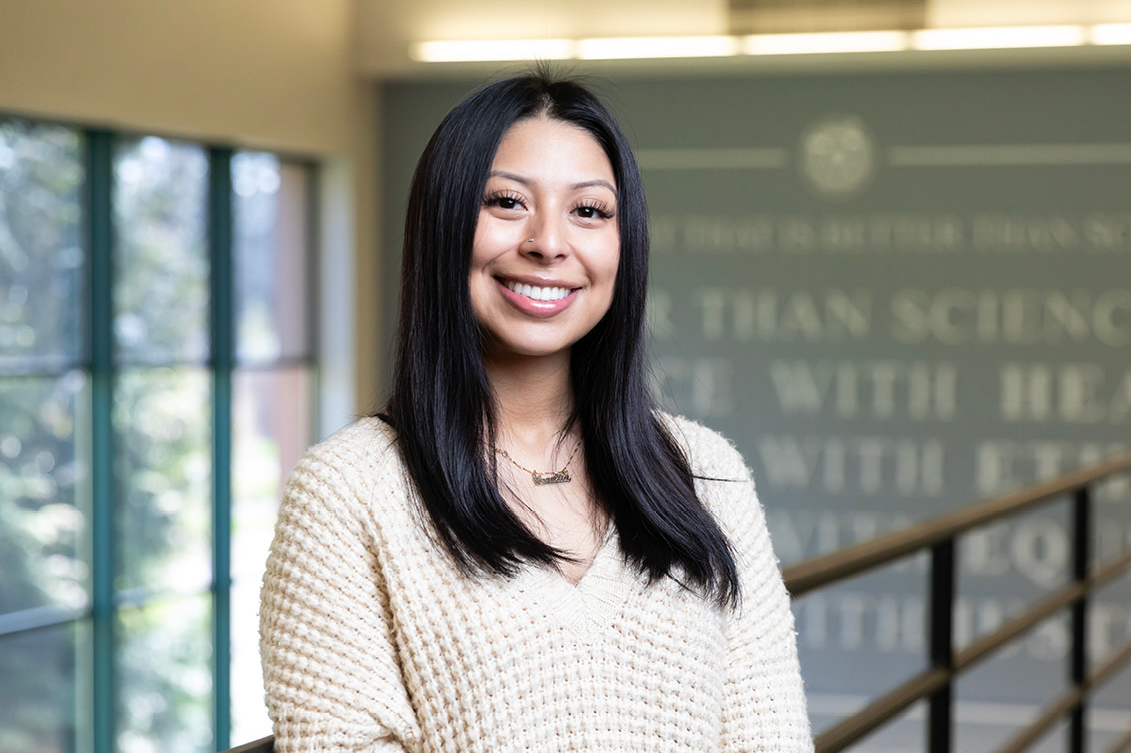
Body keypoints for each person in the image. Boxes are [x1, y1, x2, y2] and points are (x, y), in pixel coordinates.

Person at [258, 71, 813, 752]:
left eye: (589, 211)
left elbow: (771, 734)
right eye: (507, 202)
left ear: (624, 245)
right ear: (443, 226)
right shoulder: (348, 491)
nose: (549, 243)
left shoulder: (705, 470)